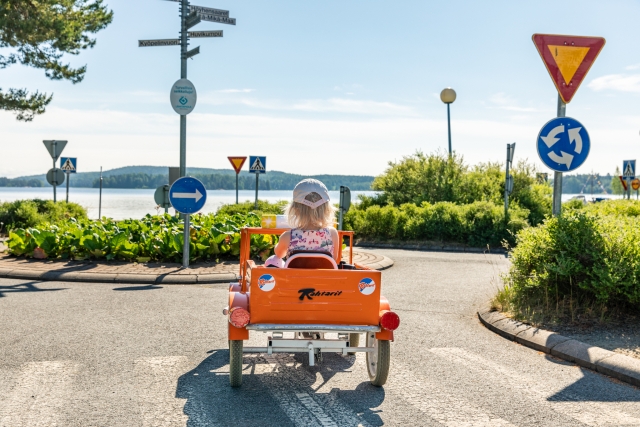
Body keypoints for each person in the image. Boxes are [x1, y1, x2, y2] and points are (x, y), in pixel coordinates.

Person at [267, 179, 339, 266]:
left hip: (294, 279)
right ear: (326, 210)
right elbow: (334, 260)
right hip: (323, 279)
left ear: (295, 210)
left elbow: (278, 254)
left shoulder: (288, 237)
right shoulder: (332, 234)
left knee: (273, 260)